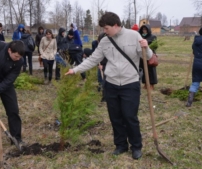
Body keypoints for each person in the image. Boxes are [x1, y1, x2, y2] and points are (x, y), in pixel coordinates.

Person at [65, 12, 153, 159]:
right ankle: (120, 145)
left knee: (130, 116)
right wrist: (75, 70)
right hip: (111, 84)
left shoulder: (134, 36)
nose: (104, 32)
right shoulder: (105, 41)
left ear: (116, 25)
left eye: (106, 28)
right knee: (115, 117)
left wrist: (146, 47)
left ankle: (136, 146)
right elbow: (93, 59)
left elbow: (147, 57)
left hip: (130, 83)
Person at [138, 24, 158, 90]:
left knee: (151, 71)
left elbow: (154, 44)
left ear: (148, 30)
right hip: (142, 56)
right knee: (143, 70)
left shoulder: (153, 37)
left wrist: (146, 43)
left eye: (145, 29)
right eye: (143, 29)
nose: (144, 31)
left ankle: (152, 84)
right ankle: (146, 84)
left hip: (150, 56)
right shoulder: (140, 36)